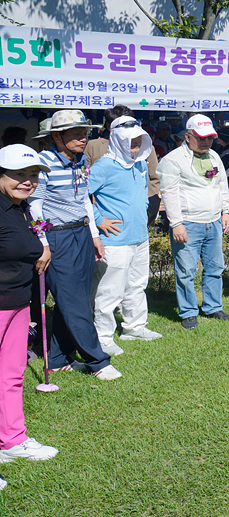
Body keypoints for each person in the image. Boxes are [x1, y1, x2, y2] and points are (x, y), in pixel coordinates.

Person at [28, 110, 121, 380]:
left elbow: (84, 201)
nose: (83, 138)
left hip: (81, 233)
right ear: (57, 136)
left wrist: (93, 235)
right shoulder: (42, 162)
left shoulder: (81, 160)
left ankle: (57, 358)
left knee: (75, 300)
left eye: (85, 133)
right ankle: (98, 361)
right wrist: (44, 243)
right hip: (57, 237)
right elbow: (35, 206)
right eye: (76, 133)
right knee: (75, 303)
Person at [0, 145, 60, 464]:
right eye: (18, 175)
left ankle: (12, 439)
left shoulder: (22, 206)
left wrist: (41, 247)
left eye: (33, 175)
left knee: (12, 373)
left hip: (19, 302)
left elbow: (31, 237)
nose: (27, 181)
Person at [88, 116, 162, 356]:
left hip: (140, 236)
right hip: (115, 240)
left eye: (139, 141)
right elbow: (82, 197)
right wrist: (99, 220)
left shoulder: (140, 164)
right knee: (110, 291)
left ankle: (134, 326)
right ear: (118, 140)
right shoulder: (102, 166)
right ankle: (103, 337)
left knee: (137, 284)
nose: (137, 146)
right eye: (132, 142)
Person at [156, 114, 229, 330]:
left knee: (215, 267)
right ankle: (188, 311)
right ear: (188, 136)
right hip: (188, 223)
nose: (206, 141)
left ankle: (213, 306)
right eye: (201, 137)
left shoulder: (214, 156)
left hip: (214, 222)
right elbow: (169, 193)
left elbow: (221, 185)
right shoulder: (172, 160)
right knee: (186, 271)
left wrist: (225, 211)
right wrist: (176, 223)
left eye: (210, 137)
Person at [84, 105, 161, 227]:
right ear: (110, 126)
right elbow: (83, 190)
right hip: (108, 219)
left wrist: (145, 208)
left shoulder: (144, 150)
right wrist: (98, 217)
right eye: (122, 124)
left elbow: (153, 180)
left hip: (138, 220)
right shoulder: (95, 148)